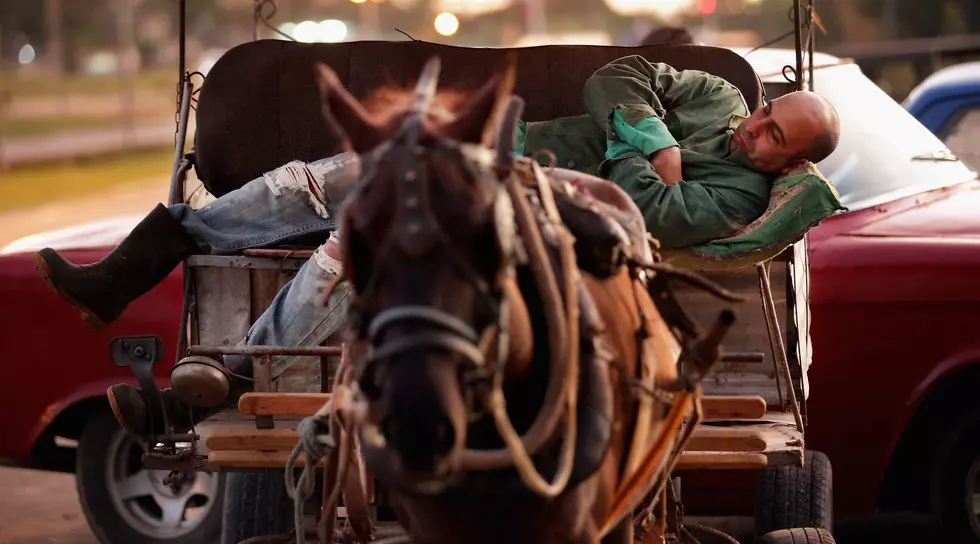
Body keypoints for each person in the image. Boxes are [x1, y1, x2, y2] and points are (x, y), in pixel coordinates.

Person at [34, 55, 840, 434]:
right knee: (305, 185)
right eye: (766, 113)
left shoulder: (738, 193)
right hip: (493, 138)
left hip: (524, 203)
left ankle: (214, 380)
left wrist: (638, 150)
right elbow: (616, 76)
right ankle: (127, 270)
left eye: (773, 138)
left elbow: (644, 206)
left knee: (349, 244)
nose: (752, 130)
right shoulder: (725, 97)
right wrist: (653, 128)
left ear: (793, 162)